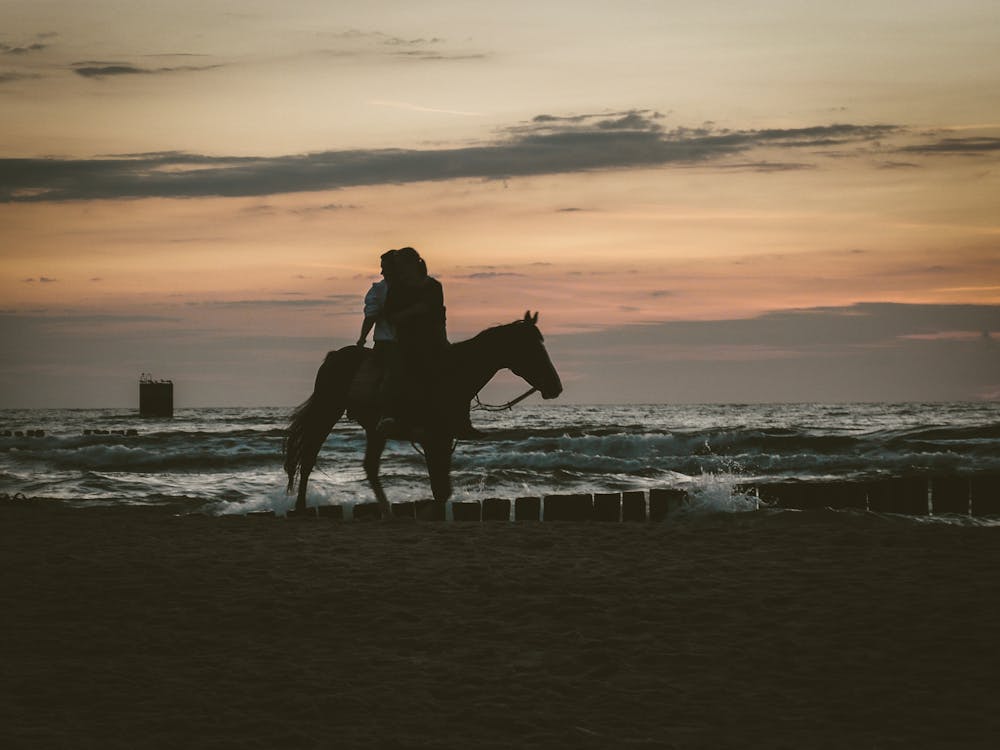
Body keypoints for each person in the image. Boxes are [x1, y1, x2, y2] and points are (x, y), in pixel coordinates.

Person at [377, 247, 482, 438]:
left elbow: (439, 315)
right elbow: (391, 317)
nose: (399, 271)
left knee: (457, 373)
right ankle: (390, 417)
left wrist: (442, 339)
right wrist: (414, 311)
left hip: (433, 340)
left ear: (411, 265)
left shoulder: (433, 286)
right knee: (398, 373)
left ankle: (461, 421)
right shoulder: (398, 289)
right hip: (407, 342)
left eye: (401, 266)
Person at [357, 249, 398, 368]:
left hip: (386, 343)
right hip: (390, 343)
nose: (382, 272)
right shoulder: (380, 289)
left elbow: (371, 317)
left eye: (385, 268)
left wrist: (362, 340)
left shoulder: (379, 290)